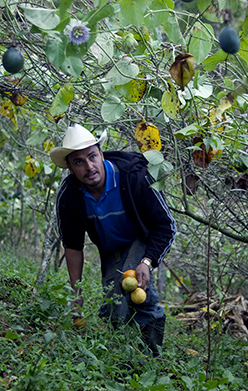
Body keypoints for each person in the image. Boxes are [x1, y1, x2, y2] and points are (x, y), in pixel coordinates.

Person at [49, 123, 176, 356]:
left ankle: (151, 355)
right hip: (109, 247)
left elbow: (165, 225)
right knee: (113, 302)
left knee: (134, 289)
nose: (89, 167)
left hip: (140, 238)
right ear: (69, 167)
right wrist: (75, 293)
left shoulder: (133, 177)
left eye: (92, 157)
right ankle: (119, 355)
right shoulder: (70, 196)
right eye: (79, 162)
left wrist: (147, 262)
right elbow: (73, 246)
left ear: (101, 153)